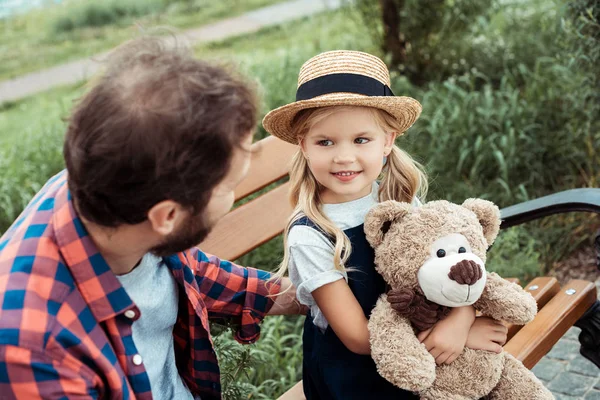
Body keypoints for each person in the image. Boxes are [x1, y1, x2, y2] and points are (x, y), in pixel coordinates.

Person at [0, 37, 303, 400]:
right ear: (168, 215)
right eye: (230, 186)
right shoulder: (34, 351)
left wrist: (311, 294)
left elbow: (189, 269)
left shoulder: (115, 191)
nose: (235, 193)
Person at [263, 50, 508, 399]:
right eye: (325, 142)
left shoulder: (399, 200)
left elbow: (450, 263)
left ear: (388, 141)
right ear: (303, 146)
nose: (344, 156)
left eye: (361, 139)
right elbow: (359, 338)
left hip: (423, 346)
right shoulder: (311, 233)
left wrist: (462, 316)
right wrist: (461, 335)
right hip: (355, 378)